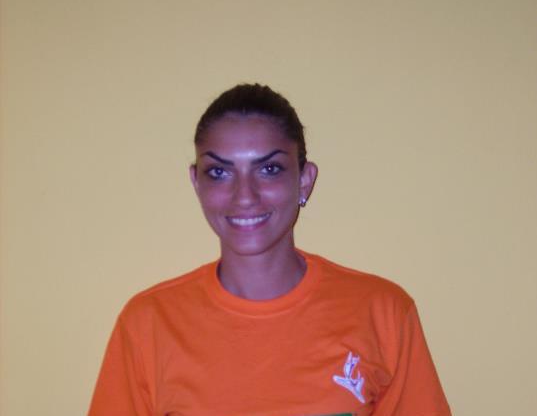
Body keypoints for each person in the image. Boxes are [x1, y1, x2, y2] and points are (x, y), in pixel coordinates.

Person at [88, 84, 451, 416]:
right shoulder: (148, 324)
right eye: (219, 172)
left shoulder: (382, 313)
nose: (244, 195)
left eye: (269, 169)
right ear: (196, 183)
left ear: (304, 181)